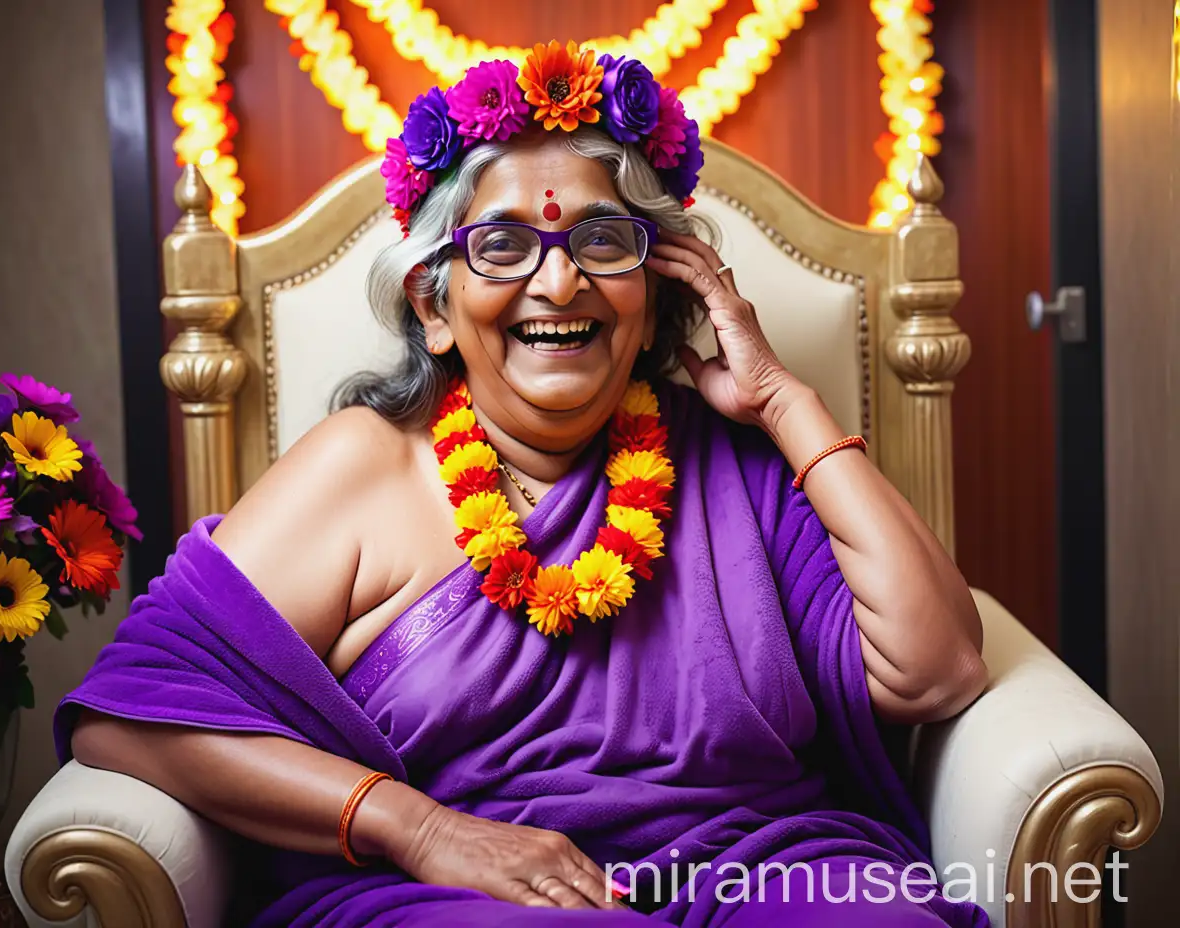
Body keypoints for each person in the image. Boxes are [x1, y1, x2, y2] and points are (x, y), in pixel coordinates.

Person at [58, 42, 989, 927]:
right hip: (460, 896)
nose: (560, 281)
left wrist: (786, 404)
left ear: (661, 290)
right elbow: (124, 721)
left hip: (763, 868)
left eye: (604, 242)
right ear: (434, 305)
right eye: (502, 245)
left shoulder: (739, 461)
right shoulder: (363, 466)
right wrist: (418, 828)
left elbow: (938, 668)